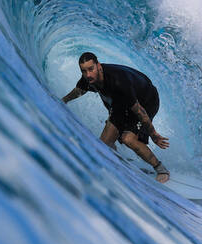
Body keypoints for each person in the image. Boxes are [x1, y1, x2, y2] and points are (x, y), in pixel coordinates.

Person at [61, 52, 171, 183]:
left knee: (127, 138)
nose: (88, 75)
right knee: (104, 144)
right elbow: (80, 90)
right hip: (121, 102)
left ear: (99, 66)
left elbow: (141, 112)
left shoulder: (119, 83)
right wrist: (63, 100)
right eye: (84, 71)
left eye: (91, 69)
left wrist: (153, 134)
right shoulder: (89, 78)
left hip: (146, 99)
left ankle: (161, 169)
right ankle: (116, 158)